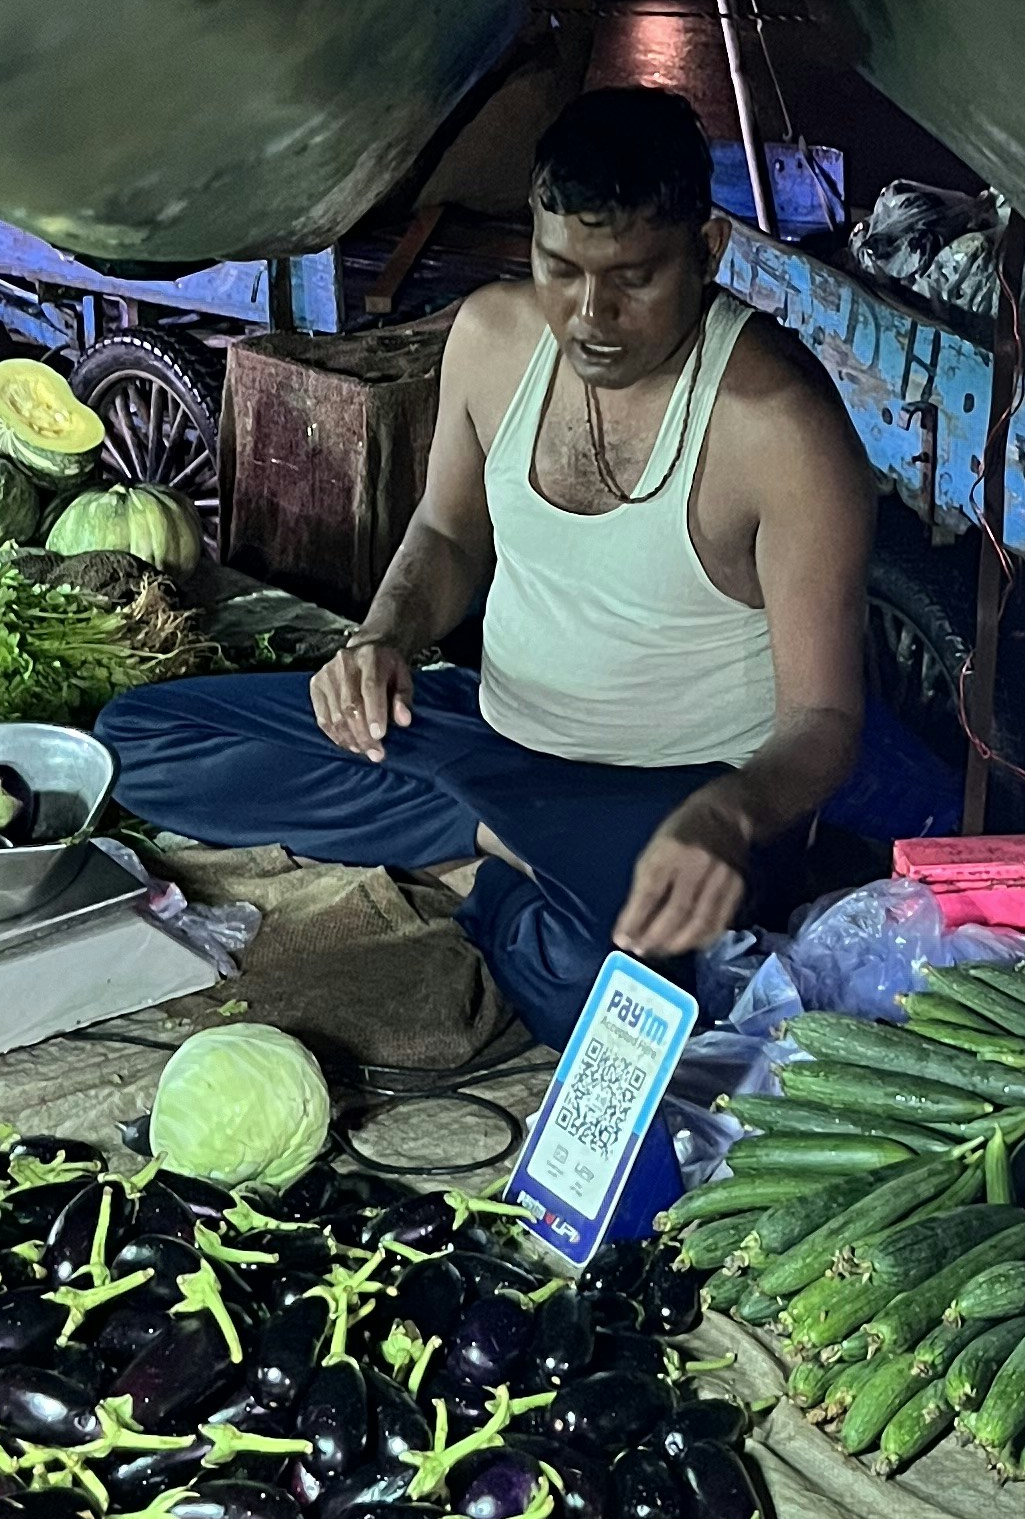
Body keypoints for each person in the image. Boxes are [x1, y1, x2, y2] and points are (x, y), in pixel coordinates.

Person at [98, 87, 885, 1045]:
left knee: (612, 998)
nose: (592, 315)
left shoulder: (781, 429)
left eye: (635, 277)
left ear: (708, 252)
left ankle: (503, 854)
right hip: (486, 745)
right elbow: (446, 533)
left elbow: (826, 723)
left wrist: (727, 816)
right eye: (561, 270)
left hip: (674, 805)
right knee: (139, 737)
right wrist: (383, 636)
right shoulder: (489, 338)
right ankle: (502, 841)